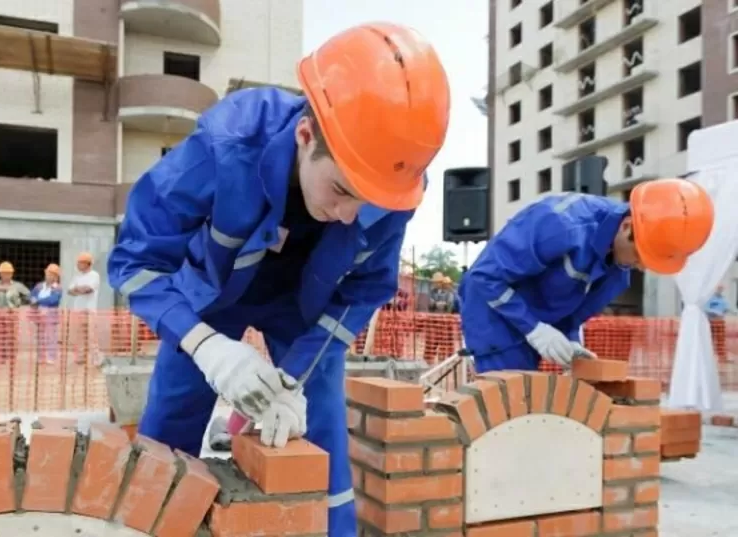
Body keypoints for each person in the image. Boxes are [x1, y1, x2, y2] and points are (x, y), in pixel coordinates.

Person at [107, 22, 450, 536]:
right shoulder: (227, 144)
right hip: (210, 302)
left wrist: (295, 377)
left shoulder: (391, 183)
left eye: (369, 201)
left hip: (303, 310)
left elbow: (365, 289)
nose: (349, 215)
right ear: (306, 135)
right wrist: (205, 345)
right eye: (340, 189)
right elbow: (134, 262)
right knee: (168, 437)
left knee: (323, 440)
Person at [459, 178, 714, 373]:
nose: (641, 266)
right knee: (509, 405)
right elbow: (484, 277)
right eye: (641, 255)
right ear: (627, 228)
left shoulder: (617, 269)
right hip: (494, 316)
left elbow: (571, 310)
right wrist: (534, 329)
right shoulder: (560, 225)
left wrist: (571, 341)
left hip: (534, 320)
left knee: (529, 403)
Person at [0, 262, 31, 364]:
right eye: (4, 273)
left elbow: (28, 295)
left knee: (11, 336)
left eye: (8, 273)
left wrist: (19, 301)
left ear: (12, 274)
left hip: (12, 315)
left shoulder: (17, 286)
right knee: (0, 336)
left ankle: (12, 358)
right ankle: (1, 358)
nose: (6, 275)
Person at [67, 252, 101, 364]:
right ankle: (81, 357)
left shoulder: (94, 275)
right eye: (78, 262)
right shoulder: (77, 276)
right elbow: (70, 291)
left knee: (92, 336)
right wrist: (79, 289)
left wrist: (77, 289)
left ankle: (95, 359)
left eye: (81, 262)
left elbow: (89, 289)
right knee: (79, 336)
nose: (78, 265)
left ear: (88, 263)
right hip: (78, 310)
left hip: (90, 310)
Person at [29, 264, 63, 364]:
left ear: (57, 277)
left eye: (53, 274)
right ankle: (41, 357)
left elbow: (53, 300)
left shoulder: (57, 288)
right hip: (39, 313)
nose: (50, 276)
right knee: (40, 336)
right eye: (49, 273)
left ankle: (51, 357)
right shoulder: (39, 286)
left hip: (51, 314)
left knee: (51, 336)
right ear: (45, 273)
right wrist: (32, 302)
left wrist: (38, 301)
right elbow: (32, 296)